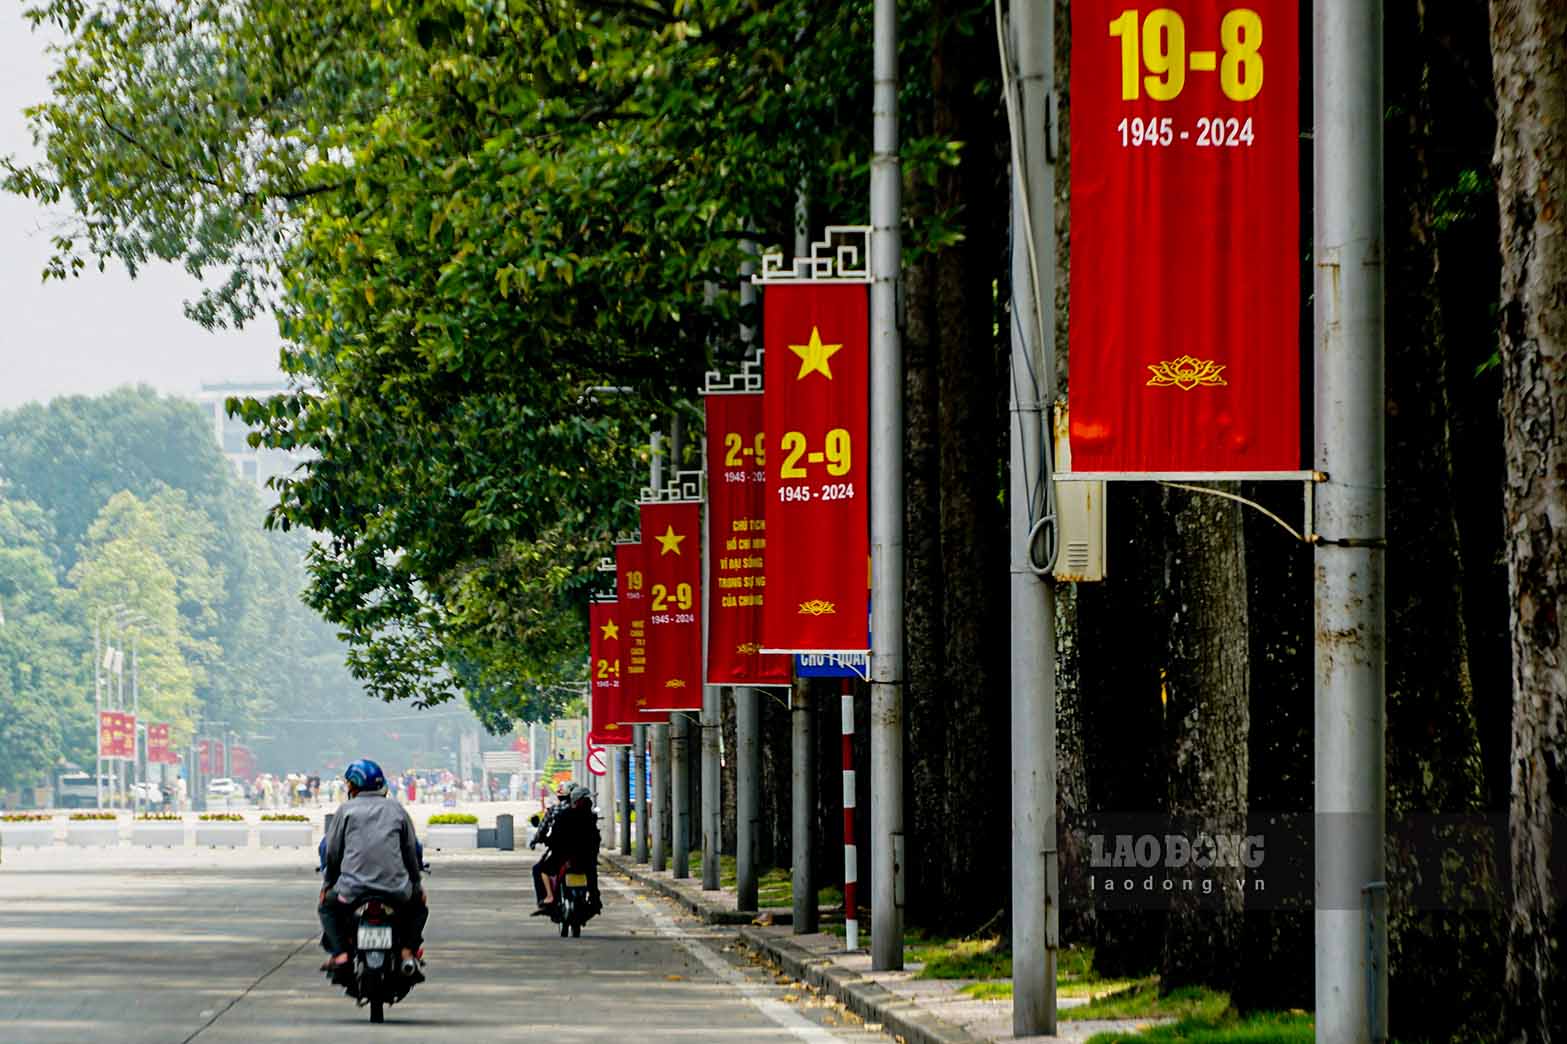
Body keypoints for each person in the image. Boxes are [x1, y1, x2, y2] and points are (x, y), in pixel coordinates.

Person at [318, 759, 428, 982]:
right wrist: (416, 883)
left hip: (352, 890)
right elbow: (410, 850)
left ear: (354, 785)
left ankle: (340, 954)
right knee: (419, 907)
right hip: (395, 890)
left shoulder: (345, 811)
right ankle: (407, 952)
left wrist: (328, 883)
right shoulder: (397, 810)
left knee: (327, 907)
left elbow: (332, 851)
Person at [533, 784, 601, 915]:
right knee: (592, 873)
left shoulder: (562, 815)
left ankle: (549, 897)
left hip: (564, 857)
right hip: (585, 859)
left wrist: (547, 841)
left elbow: (554, 837)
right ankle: (595, 899)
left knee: (541, 869)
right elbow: (596, 839)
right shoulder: (590, 817)